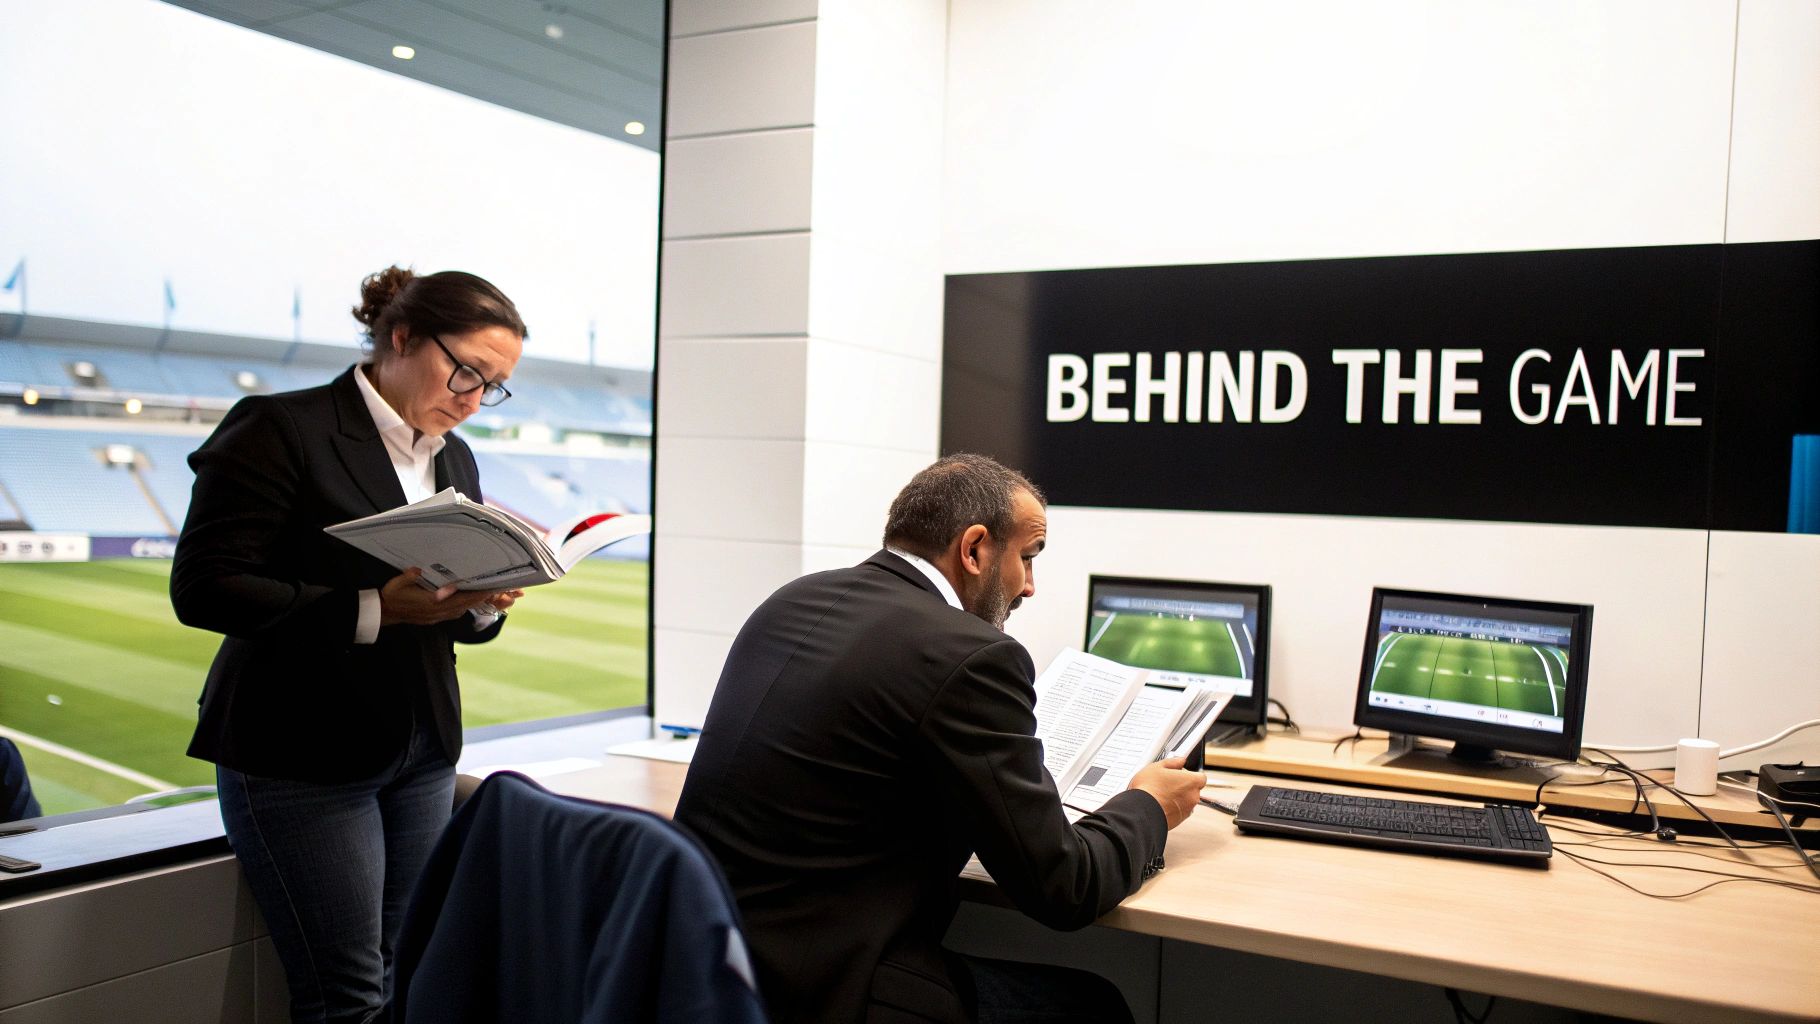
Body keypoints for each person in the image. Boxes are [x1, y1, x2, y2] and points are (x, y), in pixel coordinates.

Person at [675, 454, 1205, 1024]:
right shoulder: (970, 655)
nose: (1030, 585)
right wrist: (1149, 805)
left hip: (704, 970)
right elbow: (1065, 886)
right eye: (1026, 558)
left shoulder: (791, 600)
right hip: (830, 989)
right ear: (975, 549)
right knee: (1095, 1006)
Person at [171, 267, 528, 1024]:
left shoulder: (453, 455)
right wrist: (372, 608)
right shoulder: (279, 426)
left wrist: (485, 602)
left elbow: (441, 607)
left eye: (492, 385)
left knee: (412, 968)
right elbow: (204, 588)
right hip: (300, 754)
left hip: (422, 746)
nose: (472, 398)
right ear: (401, 337)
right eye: (466, 369)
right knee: (349, 996)